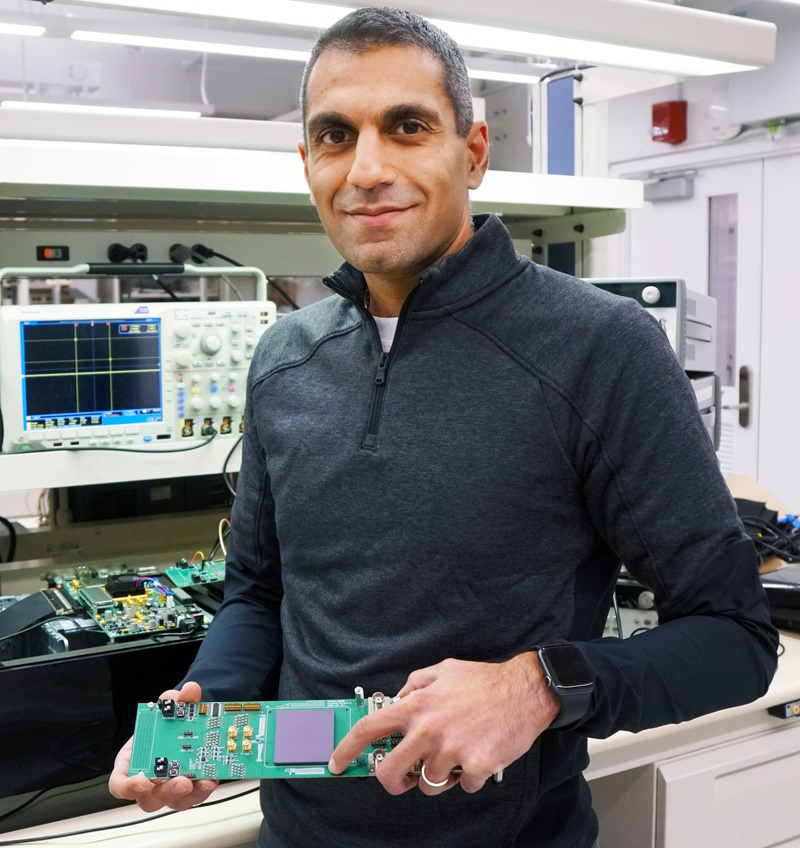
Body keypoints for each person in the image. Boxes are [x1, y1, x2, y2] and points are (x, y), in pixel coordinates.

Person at [109, 7, 778, 847]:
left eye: (407, 127)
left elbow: (733, 638)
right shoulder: (284, 358)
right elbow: (260, 589)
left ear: (473, 151)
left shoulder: (599, 348)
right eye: (334, 135)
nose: (367, 169)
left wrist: (540, 684)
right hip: (297, 835)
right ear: (307, 161)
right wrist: (207, 696)